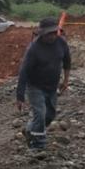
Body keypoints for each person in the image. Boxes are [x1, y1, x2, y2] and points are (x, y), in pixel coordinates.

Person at [16, 18, 71, 150]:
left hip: (52, 86)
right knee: (40, 114)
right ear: (42, 33)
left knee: (50, 116)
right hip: (35, 86)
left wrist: (65, 80)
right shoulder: (34, 49)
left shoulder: (61, 43)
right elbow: (23, 72)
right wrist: (20, 96)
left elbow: (67, 61)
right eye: (49, 33)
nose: (52, 36)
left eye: (54, 32)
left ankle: (30, 130)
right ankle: (37, 145)